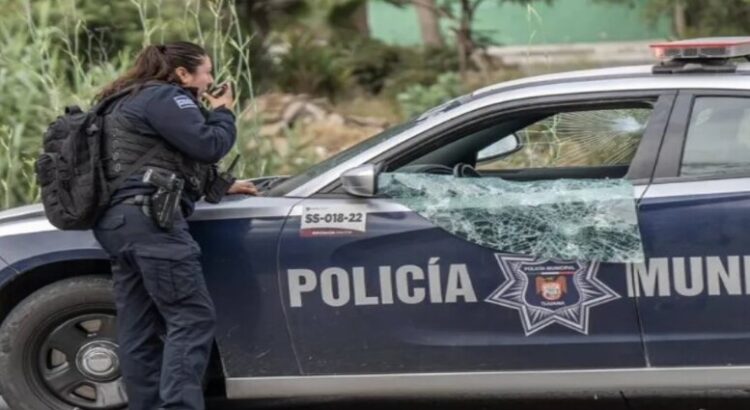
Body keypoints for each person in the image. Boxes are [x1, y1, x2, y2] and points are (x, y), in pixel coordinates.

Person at [91, 41, 256, 410]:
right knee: (191, 317)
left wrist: (222, 185)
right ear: (182, 74)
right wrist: (224, 112)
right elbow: (209, 144)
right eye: (206, 72)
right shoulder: (168, 97)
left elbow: (154, 159)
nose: (210, 80)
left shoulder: (122, 100)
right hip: (151, 223)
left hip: (117, 222)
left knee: (139, 325)